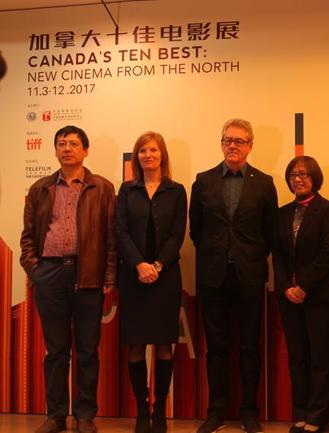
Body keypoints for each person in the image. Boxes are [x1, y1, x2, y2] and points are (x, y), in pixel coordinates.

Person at [20, 125, 116, 433]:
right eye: (61, 143)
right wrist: (35, 269)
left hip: (88, 273)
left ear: (85, 151)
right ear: (55, 150)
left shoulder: (102, 187)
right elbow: (27, 238)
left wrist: (109, 274)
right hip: (50, 274)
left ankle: (85, 415)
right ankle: (56, 415)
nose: (67, 148)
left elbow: (110, 237)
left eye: (73, 144)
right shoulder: (40, 189)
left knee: (88, 349)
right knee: (56, 350)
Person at [190, 118, 278, 433]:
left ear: (250, 146)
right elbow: (196, 231)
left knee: (249, 346)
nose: (233, 145)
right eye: (228, 139)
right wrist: (218, 254)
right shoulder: (202, 181)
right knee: (216, 346)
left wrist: (247, 256)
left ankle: (249, 412)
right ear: (221, 143)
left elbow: (271, 233)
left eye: (240, 141)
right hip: (212, 276)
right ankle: (216, 411)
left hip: (250, 275)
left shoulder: (265, 183)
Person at [116, 132, 187, 433]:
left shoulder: (177, 190)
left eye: (153, 150)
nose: (147, 155)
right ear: (136, 157)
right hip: (133, 276)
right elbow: (121, 232)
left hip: (165, 276)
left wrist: (157, 265)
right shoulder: (126, 190)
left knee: (163, 345)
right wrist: (140, 265)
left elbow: (177, 234)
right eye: (142, 150)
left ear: (163, 155)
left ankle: (160, 410)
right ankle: (142, 410)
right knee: (135, 345)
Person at [273, 156, 329, 433]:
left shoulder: (328, 210)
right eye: (293, 174)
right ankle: (300, 412)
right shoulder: (281, 213)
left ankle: (317, 415)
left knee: (319, 358)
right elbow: (276, 255)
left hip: (319, 297)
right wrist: (286, 287)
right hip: (289, 298)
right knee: (298, 357)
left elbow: (328, 254)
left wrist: (304, 287)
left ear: (315, 177)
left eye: (303, 174)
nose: (298, 178)